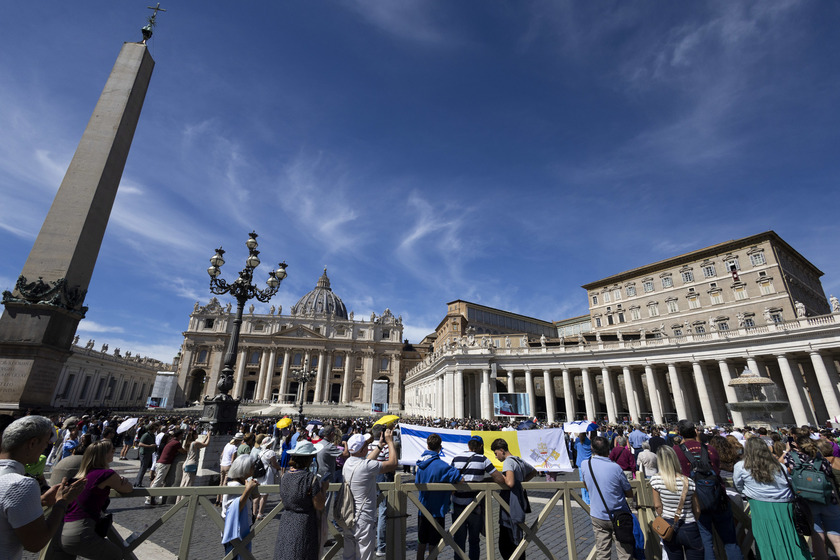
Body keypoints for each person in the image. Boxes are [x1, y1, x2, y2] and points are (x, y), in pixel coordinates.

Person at [0, 415, 85, 560]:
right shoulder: (20, 485)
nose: (45, 448)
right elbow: (35, 543)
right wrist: (62, 502)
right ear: (32, 443)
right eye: (45, 443)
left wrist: (40, 501)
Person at [673, 420, 742, 560]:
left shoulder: (676, 451)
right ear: (696, 431)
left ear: (679, 433)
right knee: (731, 541)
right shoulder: (710, 448)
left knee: (705, 542)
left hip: (696, 500)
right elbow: (716, 469)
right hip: (719, 498)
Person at [55, 439, 134, 559]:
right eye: (111, 450)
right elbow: (128, 489)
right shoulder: (106, 474)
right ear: (103, 455)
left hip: (63, 532)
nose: (114, 452)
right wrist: (124, 480)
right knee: (116, 555)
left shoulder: (81, 476)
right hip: (81, 531)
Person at [733, 437, 809, 560]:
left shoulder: (741, 466)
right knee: (789, 535)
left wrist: (751, 492)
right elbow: (789, 483)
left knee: (765, 537)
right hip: (784, 504)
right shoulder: (779, 465)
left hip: (759, 505)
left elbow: (738, 485)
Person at [342, 429, 399, 560]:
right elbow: (393, 463)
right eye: (366, 445)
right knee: (364, 556)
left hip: (348, 516)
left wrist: (379, 446)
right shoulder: (366, 467)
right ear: (362, 450)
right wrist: (390, 442)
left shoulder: (348, 463)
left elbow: (366, 461)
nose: (368, 446)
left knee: (349, 555)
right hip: (363, 518)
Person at [451, 436, 505, 560]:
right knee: (474, 540)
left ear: (468, 446)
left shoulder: (456, 458)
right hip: (475, 505)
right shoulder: (482, 459)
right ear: (480, 447)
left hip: (457, 504)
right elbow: (499, 479)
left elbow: (452, 478)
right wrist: (485, 480)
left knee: (458, 539)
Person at [580, 436, 634, 560]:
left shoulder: (585, 464)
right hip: (619, 515)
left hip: (597, 515)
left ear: (592, 448)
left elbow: (586, 485)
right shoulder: (615, 467)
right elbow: (629, 493)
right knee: (625, 553)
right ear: (608, 449)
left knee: (602, 553)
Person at [787, 434, 840, 560]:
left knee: (817, 537)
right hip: (827, 497)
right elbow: (828, 474)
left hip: (807, 500)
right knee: (837, 537)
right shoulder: (820, 458)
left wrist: (789, 450)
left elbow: (787, 470)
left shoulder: (792, 458)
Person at [273, 440, 328, 560]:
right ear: (309, 459)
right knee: (302, 552)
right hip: (304, 522)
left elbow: (284, 498)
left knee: (286, 553)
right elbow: (319, 505)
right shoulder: (309, 479)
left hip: (287, 519)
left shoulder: (285, 476)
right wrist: (323, 490)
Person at [415, 434, 463, 560]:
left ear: (427, 445)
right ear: (440, 448)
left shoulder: (420, 465)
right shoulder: (443, 466)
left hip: (422, 509)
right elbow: (460, 479)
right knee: (434, 544)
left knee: (421, 542)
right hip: (437, 510)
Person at [650, 446, 703, 560]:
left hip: (668, 524)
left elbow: (657, 505)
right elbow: (697, 509)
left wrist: (661, 516)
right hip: (689, 524)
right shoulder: (689, 482)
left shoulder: (656, 480)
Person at [491, 438, 536, 560]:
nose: (496, 457)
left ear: (502, 450)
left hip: (510, 502)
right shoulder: (519, 460)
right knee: (517, 539)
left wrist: (499, 476)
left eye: (496, 453)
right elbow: (534, 471)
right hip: (519, 501)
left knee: (506, 543)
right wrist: (521, 482)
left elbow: (509, 483)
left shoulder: (508, 462)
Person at [221, 455, 259, 560]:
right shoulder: (235, 486)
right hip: (235, 533)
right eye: (252, 467)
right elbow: (234, 509)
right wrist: (247, 491)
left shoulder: (242, 483)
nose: (254, 469)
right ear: (245, 469)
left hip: (240, 530)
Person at [146, 428, 186, 506]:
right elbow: (183, 451)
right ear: (180, 435)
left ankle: (153, 498)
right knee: (158, 481)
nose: (182, 436)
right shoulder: (176, 443)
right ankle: (149, 498)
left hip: (160, 462)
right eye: (182, 435)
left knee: (158, 481)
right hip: (164, 464)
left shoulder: (170, 441)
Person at [177, 429, 210, 503]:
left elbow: (201, 443)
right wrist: (209, 436)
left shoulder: (189, 443)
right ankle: (184, 500)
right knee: (189, 482)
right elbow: (206, 444)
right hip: (192, 463)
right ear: (194, 435)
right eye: (196, 434)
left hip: (186, 463)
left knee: (183, 482)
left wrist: (206, 437)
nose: (198, 435)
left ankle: (178, 500)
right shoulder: (195, 443)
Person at [254, 436, 281, 521]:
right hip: (267, 473)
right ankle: (260, 513)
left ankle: (254, 512)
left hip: (260, 472)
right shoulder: (271, 452)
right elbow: (274, 463)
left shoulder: (260, 452)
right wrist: (279, 468)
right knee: (264, 494)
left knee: (258, 494)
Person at [217, 432, 244, 506]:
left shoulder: (227, 445)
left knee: (221, 482)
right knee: (225, 484)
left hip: (222, 465)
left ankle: (217, 499)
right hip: (228, 466)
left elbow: (222, 455)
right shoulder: (234, 448)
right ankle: (222, 501)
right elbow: (233, 460)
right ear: (238, 440)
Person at [133, 423, 157, 487]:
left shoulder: (152, 435)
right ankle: (138, 483)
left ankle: (138, 482)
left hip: (149, 453)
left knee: (143, 468)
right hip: (144, 453)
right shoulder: (146, 435)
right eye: (155, 429)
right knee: (143, 468)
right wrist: (149, 446)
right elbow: (140, 444)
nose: (156, 430)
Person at [575, 432, 592, 505]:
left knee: (582, 482)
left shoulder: (577, 441)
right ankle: (589, 498)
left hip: (580, 463)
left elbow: (575, 448)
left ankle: (585, 499)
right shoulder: (589, 441)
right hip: (588, 463)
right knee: (589, 481)